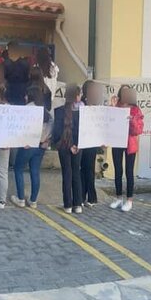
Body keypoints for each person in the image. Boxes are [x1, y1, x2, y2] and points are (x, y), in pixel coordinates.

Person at [109, 84, 145, 212]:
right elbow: (109, 122)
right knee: (118, 170)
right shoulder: (116, 106)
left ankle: (129, 200)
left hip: (130, 143)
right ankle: (119, 197)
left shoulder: (135, 109)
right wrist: (112, 107)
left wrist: (132, 120)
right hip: (117, 141)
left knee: (129, 172)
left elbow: (138, 130)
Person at [51, 84, 83, 213]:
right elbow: (84, 131)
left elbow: (57, 131)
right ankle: (78, 204)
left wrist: (68, 144)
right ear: (77, 96)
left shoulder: (59, 111)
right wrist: (77, 144)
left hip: (64, 145)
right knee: (76, 173)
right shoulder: (83, 112)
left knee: (67, 174)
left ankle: (68, 205)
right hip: (79, 146)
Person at [79, 80, 105, 207]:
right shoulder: (81, 105)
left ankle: (91, 197)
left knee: (89, 169)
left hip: (92, 142)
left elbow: (102, 124)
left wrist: (102, 140)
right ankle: (82, 196)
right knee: (82, 169)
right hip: (82, 140)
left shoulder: (98, 107)